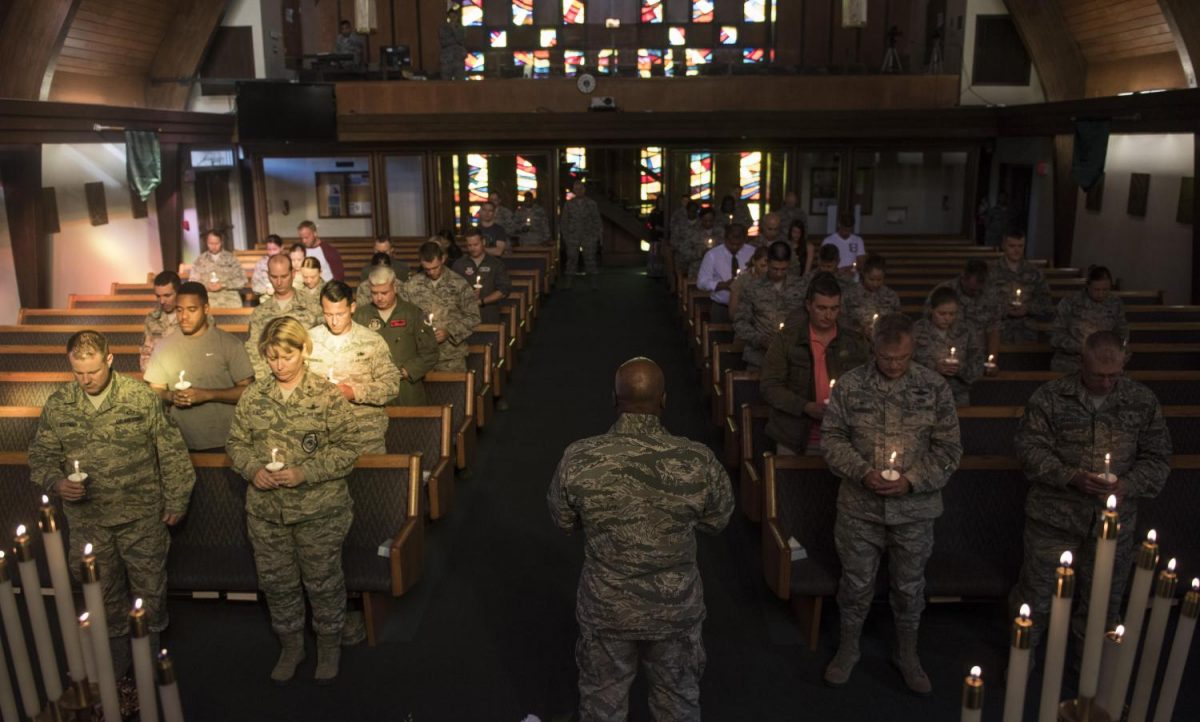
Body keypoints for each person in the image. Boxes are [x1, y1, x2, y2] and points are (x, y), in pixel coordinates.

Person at [547, 357, 734, 722]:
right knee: (677, 703)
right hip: (674, 610)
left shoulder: (579, 457)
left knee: (603, 704)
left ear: (613, 399)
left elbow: (563, 521)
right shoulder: (698, 460)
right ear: (664, 400)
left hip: (607, 608)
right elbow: (718, 521)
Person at [28, 330, 195, 681]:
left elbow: (171, 451)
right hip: (89, 521)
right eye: (78, 372)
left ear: (109, 359)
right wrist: (55, 483)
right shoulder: (59, 405)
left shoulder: (139, 398)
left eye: (93, 370)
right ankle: (117, 670)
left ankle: (150, 668)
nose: (86, 379)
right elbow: (41, 457)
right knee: (103, 596)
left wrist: (177, 497)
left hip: (142, 517)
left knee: (150, 593)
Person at [821, 313, 962, 694]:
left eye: (901, 358)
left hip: (915, 512)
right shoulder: (850, 386)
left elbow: (949, 449)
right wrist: (862, 471)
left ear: (912, 351)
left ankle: (907, 653)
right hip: (859, 508)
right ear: (874, 350)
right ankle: (848, 649)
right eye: (886, 358)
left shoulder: (934, 388)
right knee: (855, 584)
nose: (894, 365)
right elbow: (832, 439)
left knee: (909, 587)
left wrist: (913, 481)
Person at [1010, 331, 1170, 654]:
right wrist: (1071, 477)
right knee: (1036, 598)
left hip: (1113, 524)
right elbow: (1028, 450)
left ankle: (1089, 672)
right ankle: (1022, 661)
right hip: (1054, 518)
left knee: (1102, 604)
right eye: (1099, 375)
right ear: (1081, 363)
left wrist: (1128, 484)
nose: (1108, 383)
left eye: (1115, 375)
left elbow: (1158, 458)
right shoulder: (1050, 398)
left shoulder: (1141, 401)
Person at [226, 317, 360, 685]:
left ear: (304, 351)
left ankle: (329, 645)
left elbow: (350, 448)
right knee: (278, 583)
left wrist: (307, 472)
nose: (279, 364)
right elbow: (235, 444)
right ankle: (291, 645)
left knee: (323, 581)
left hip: (319, 510)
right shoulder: (255, 396)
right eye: (272, 358)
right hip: (267, 512)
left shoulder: (326, 395)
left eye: (287, 356)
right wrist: (253, 469)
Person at [760, 273, 869, 456]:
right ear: (808, 305)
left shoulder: (854, 342)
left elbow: (866, 385)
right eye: (822, 308)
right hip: (794, 435)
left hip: (843, 436)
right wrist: (805, 406)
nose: (828, 315)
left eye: (834, 309)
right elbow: (770, 386)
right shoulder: (787, 340)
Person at [144, 282, 254, 451]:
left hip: (226, 439)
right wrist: (171, 396)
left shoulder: (229, 344)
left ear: (206, 309)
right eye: (179, 310)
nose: (184, 317)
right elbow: (154, 389)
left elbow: (247, 391)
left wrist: (207, 394)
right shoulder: (164, 346)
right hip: (179, 440)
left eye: (192, 310)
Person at [306, 281, 401, 455]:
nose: (334, 321)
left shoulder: (372, 342)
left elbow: (392, 386)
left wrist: (353, 392)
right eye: (328, 314)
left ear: (352, 307)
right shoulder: (309, 340)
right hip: (320, 437)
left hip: (364, 436)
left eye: (340, 314)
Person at [353, 266, 439, 406]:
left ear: (395, 287)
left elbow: (430, 353)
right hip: (371, 390)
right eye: (374, 293)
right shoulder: (361, 316)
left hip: (406, 389)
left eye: (384, 292)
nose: (379, 298)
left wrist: (406, 371)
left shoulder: (413, 314)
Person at [402, 241, 481, 372]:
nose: (432, 272)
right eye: (427, 269)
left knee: (453, 393)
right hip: (420, 356)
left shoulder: (459, 284)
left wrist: (449, 331)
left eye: (436, 267)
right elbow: (404, 316)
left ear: (443, 259)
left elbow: (473, 317)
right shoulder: (411, 285)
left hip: (451, 357)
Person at [245, 255, 321, 381]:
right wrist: (265, 381)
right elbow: (254, 351)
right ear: (268, 275)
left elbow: (319, 347)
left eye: (284, 276)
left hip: (306, 380)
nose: (279, 282)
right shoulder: (259, 313)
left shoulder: (313, 306)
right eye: (274, 277)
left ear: (293, 273)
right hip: (269, 379)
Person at [734, 241, 806, 370]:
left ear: (789, 264)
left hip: (793, 358)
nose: (779, 273)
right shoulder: (752, 287)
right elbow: (740, 322)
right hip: (759, 358)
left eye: (783, 269)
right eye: (775, 269)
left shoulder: (800, 286)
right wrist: (760, 339)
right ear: (767, 263)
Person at [1050, 266, 1129, 373]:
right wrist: (1081, 348)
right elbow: (1056, 336)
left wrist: (1116, 348)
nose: (1101, 294)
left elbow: (1122, 332)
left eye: (1105, 290)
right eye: (1096, 290)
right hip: (1072, 361)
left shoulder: (1115, 303)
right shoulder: (1071, 302)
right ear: (1087, 286)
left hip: (1105, 361)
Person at [912, 286, 982, 407]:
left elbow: (978, 365)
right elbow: (906, 363)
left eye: (952, 314)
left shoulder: (966, 331)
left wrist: (960, 369)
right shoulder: (917, 330)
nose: (947, 318)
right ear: (931, 310)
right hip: (924, 395)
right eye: (942, 313)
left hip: (957, 397)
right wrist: (934, 367)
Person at [926, 259, 1002, 368]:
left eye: (978, 289)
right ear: (963, 278)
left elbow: (994, 329)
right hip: (945, 354)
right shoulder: (943, 291)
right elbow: (928, 325)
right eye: (971, 289)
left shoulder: (991, 294)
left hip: (977, 356)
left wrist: (992, 361)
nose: (975, 293)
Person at [989, 228, 1052, 343]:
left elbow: (1046, 302)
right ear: (1003, 246)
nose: (1016, 250)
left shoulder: (1034, 272)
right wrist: (1003, 309)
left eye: (1020, 246)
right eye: (1012, 246)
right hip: (998, 330)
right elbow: (982, 301)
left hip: (1027, 330)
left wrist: (1027, 308)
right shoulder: (991, 272)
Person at [452, 226, 512, 326]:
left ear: (483, 242)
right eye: (469, 245)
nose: (472, 248)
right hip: (464, 318)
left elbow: (504, 290)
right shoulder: (459, 264)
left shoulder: (496, 264)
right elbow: (451, 290)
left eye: (476, 244)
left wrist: (481, 301)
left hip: (489, 316)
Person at [697, 223, 755, 323]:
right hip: (721, 306)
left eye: (738, 244)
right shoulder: (713, 255)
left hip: (747, 307)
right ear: (725, 238)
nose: (735, 247)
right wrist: (724, 285)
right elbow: (702, 282)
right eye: (731, 244)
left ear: (744, 239)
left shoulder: (752, 252)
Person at [840, 254, 901, 335]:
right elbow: (841, 319)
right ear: (864, 274)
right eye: (871, 279)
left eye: (879, 280)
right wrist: (860, 329)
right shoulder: (850, 294)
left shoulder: (891, 296)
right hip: (855, 340)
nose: (875, 284)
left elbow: (898, 321)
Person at [141, 271, 188, 372]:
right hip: (158, 377)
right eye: (158, 296)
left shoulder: (193, 317)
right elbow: (146, 354)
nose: (162, 301)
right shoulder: (151, 319)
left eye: (167, 295)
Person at [561, 180, 602, 289]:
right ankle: (568, 282)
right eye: (576, 189)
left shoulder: (591, 204)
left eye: (580, 189)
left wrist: (596, 237)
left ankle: (593, 282)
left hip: (588, 237)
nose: (578, 191)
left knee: (590, 259)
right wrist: (566, 237)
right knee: (571, 259)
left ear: (584, 190)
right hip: (573, 237)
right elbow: (564, 222)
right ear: (573, 190)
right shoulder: (568, 204)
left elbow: (597, 221)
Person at [188, 229, 244, 308]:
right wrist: (206, 286)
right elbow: (193, 281)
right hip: (207, 297)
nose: (214, 246)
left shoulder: (231, 259)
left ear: (221, 242)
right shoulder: (200, 260)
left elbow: (241, 280)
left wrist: (223, 285)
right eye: (211, 243)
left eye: (217, 243)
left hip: (229, 298)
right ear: (206, 243)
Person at [728, 245, 768, 319]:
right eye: (762, 266)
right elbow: (732, 313)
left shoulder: (773, 280)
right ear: (754, 261)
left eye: (769, 266)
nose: (765, 270)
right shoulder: (741, 281)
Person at [687, 207, 725, 278]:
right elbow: (685, 252)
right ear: (701, 220)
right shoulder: (692, 232)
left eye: (710, 220)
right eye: (705, 220)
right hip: (698, 268)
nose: (708, 223)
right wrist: (700, 253)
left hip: (718, 268)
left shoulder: (721, 232)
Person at [439, 5, 466, 80]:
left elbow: (461, 41)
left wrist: (454, 29)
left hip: (459, 57)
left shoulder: (462, 29)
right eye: (450, 17)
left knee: (460, 79)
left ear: (457, 17)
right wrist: (454, 41)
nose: (452, 19)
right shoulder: (443, 28)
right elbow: (443, 42)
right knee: (446, 80)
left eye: (454, 17)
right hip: (446, 57)